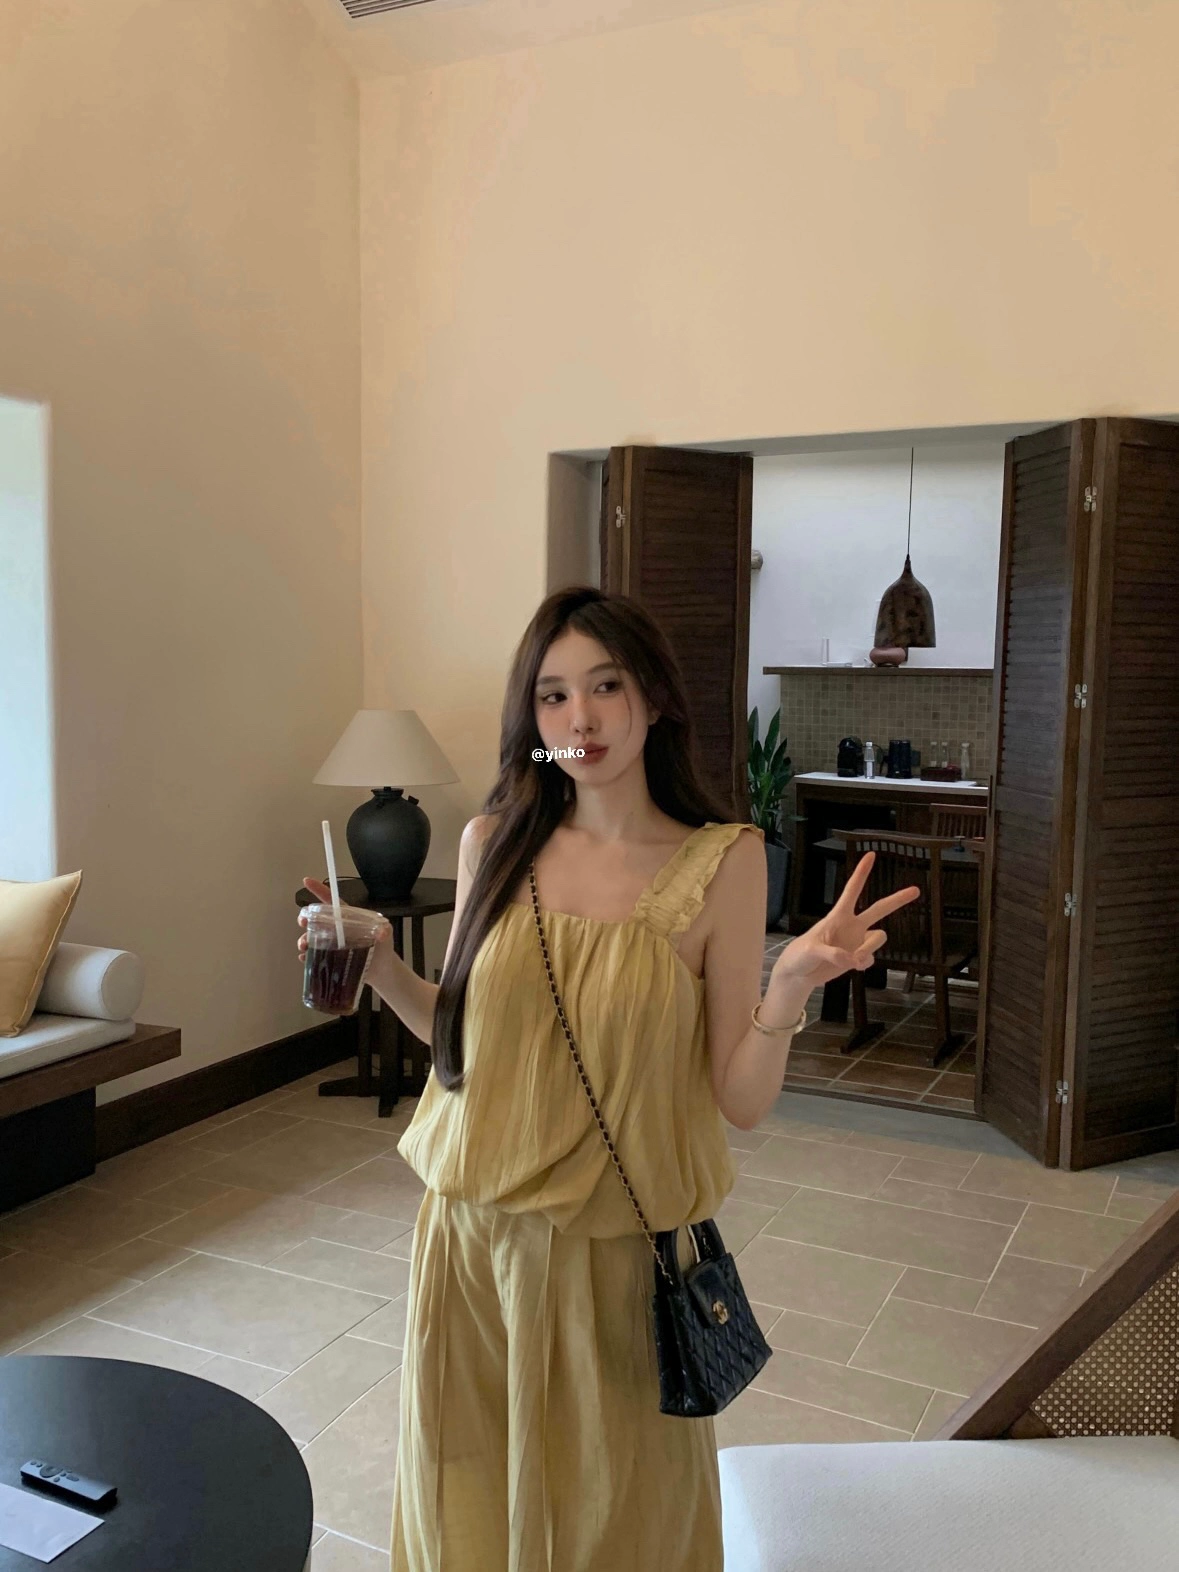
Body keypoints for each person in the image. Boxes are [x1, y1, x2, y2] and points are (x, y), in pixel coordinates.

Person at [298, 586, 919, 1572]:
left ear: (654, 699)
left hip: (613, 1256)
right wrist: (378, 966)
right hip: (468, 1236)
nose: (578, 719)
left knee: (611, 1516)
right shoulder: (492, 841)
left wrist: (789, 985)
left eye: (605, 686)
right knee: (471, 1488)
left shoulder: (723, 862)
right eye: (552, 696)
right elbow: (457, 1039)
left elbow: (741, 1100)